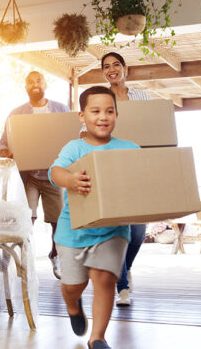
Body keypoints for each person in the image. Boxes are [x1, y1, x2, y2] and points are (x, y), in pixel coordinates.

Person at [49, 86, 139, 349]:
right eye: (96, 111)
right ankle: (72, 305)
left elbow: (142, 179)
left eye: (109, 111)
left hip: (113, 229)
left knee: (104, 278)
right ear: (82, 116)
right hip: (73, 230)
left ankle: (97, 338)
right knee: (73, 285)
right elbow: (56, 172)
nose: (103, 117)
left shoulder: (129, 148)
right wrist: (71, 180)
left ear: (116, 115)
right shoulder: (74, 148)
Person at [0, 71, 69, 280]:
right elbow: (2, 145)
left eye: (38, 80)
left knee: (58, 221)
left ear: (45, 84)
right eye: (30, 81)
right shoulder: (16, 113)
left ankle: (55, 254)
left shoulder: (61, 110)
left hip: (54, 174)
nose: (35, 84)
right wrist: (7, 153)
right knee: (26, 218)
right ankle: (20, 258)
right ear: (25, 86)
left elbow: (71, 138)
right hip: (29, 176)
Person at [100, 52, 150, 306]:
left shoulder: (141, 96)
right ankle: (122, 288)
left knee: (139, 232)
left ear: (124, 68)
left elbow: (152, 127)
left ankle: (124, 267)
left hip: (137, 171)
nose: (112, 69)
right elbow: (86, 129)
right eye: (106, 66)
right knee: (120, 231)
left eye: (116, 64)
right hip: (111, 171)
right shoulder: (101, 98)